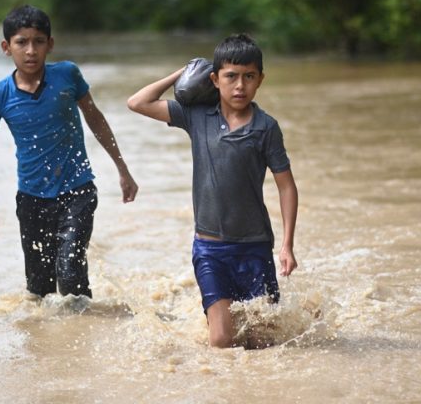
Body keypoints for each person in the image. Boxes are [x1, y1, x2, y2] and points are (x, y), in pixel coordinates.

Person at [127, 33, 298, 348]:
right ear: (214, 79)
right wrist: (184, 72)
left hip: (255, 247)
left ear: (260, 80)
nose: (239, 86)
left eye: (249, 77)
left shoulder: (266, 127)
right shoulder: (196, 116)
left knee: (262, 340)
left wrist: (286, 245)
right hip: (210, 250)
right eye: (230, 76)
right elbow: (138, 102)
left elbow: (286, 186)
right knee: (220, 340)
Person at [0, 5, 138, 299]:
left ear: (50, 44)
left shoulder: (67, 75)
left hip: (78, 191)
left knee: (71, 275)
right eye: (21, 42)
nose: (31, 50)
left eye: (38, 41)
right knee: (39, 291)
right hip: (32, 200)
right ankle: (46, 343)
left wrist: (122, 170)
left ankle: (82, 334)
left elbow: (95, 119)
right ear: (6, 47)